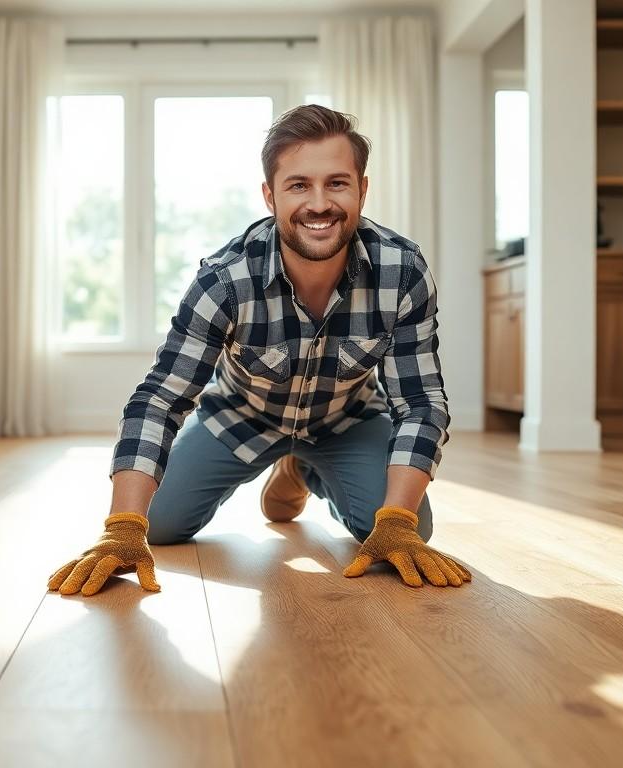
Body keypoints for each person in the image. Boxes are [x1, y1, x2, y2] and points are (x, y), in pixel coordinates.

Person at [48, 105, 470, 597]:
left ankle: (301, 467)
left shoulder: (403, 271)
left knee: (411, 528)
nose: (319, 204)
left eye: (336, 183)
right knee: (157, 524)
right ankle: (286, 457)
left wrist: (395, 519)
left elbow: (420, 402)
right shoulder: (223, 281)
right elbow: (160, 398)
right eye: (298, 185)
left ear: (362, 189)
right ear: (270, 196)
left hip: (346, 418)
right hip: (242, 415)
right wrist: (122, 526)